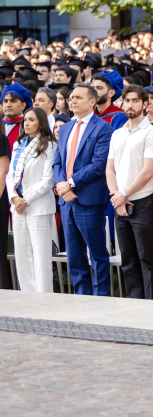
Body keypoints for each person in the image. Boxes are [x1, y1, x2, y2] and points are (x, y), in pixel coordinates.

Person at [53, 83, 113, 295]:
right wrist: (63, 187)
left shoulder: (103, 127)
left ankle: (101, 298)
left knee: (97, 254)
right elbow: (57, 162)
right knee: (74, 255)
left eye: (78, 97)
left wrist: (71, 183)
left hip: (89, 200)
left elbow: (98, 164)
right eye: (71, 97)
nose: (72, 101)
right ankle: (81, 297)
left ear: (92, 101)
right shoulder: (67, 126)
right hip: (66, 200)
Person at [106, 85, 153, 300]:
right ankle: (134, 303)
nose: (130, 105)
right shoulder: (118, 133)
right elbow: (109, 168)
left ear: (144, 104)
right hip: (119, 203)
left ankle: (152, 304)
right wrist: (116, 195)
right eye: (127, 100)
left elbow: (148, 171)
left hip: (143, 202)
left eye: (135, 101)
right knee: (128, 258)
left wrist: (125, 194)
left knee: (146, 258)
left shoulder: (151, 133)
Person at [7, 107, 56, 293]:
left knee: (40, 254)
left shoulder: (49, 145)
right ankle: (26, 293)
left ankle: (44, 296)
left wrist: (24, 198)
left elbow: (47, 180)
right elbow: (11, 174)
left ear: (40, 122)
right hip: (17, 205)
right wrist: (13, 196)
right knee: (22, 251)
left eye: (31, 120)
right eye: (25, 120)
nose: (26, 123)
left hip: (37, 205)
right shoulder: (18, 144)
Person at [0, 82, 27, 290]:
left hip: (20, 191)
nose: (8, 104)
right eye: (5, 101)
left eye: (13, 100)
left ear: (23, 104)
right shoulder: (2, 125)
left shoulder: (27, 127)